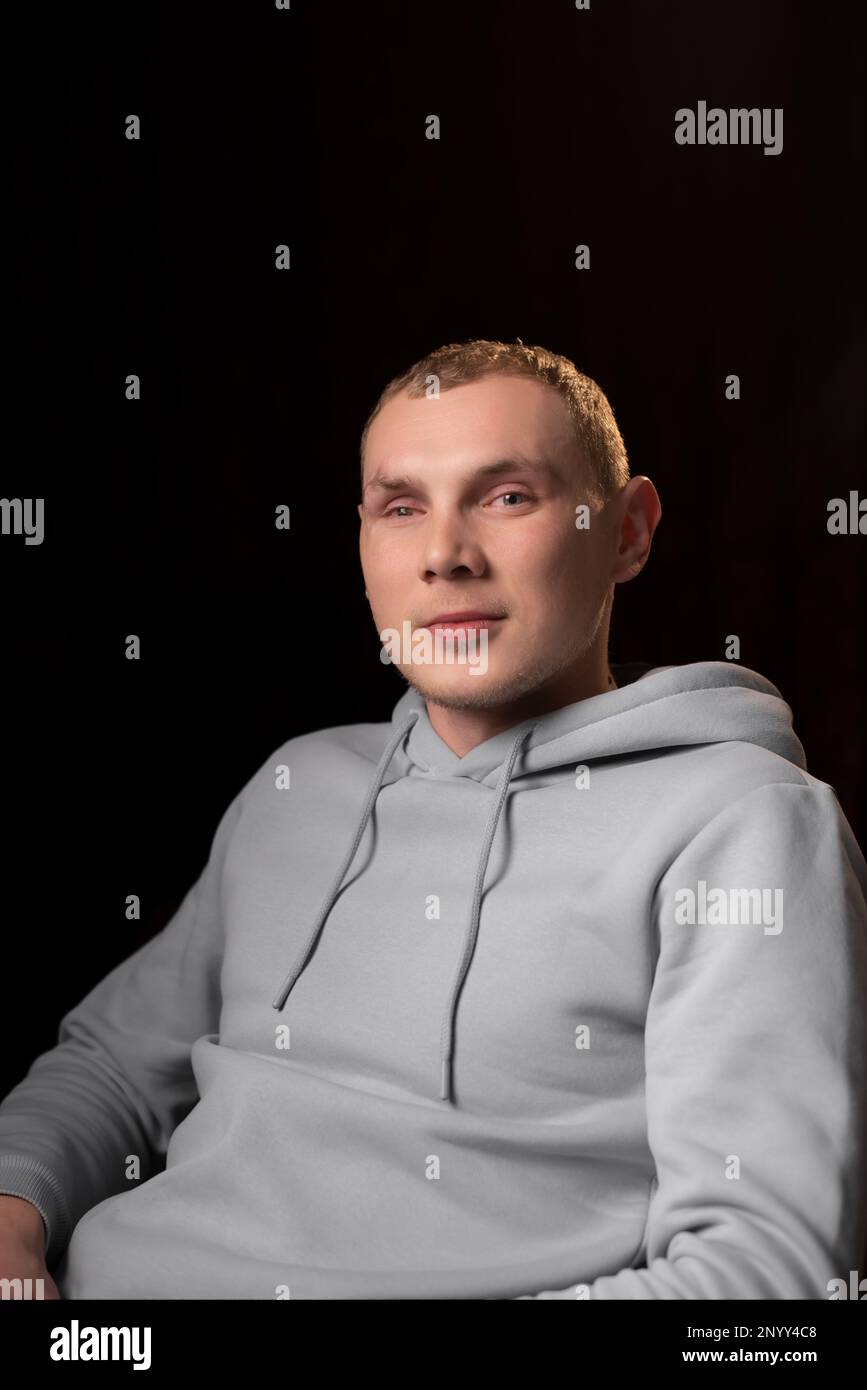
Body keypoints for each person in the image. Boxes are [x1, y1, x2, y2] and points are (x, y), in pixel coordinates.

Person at [1, 339, 865, 1300]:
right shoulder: (297, 784)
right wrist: (11, 1218)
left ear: (626, 532)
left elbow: (764, 1284)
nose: (444, 555)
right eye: (402, 507)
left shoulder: (742, 822)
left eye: (505, 497)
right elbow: (110, 1071)